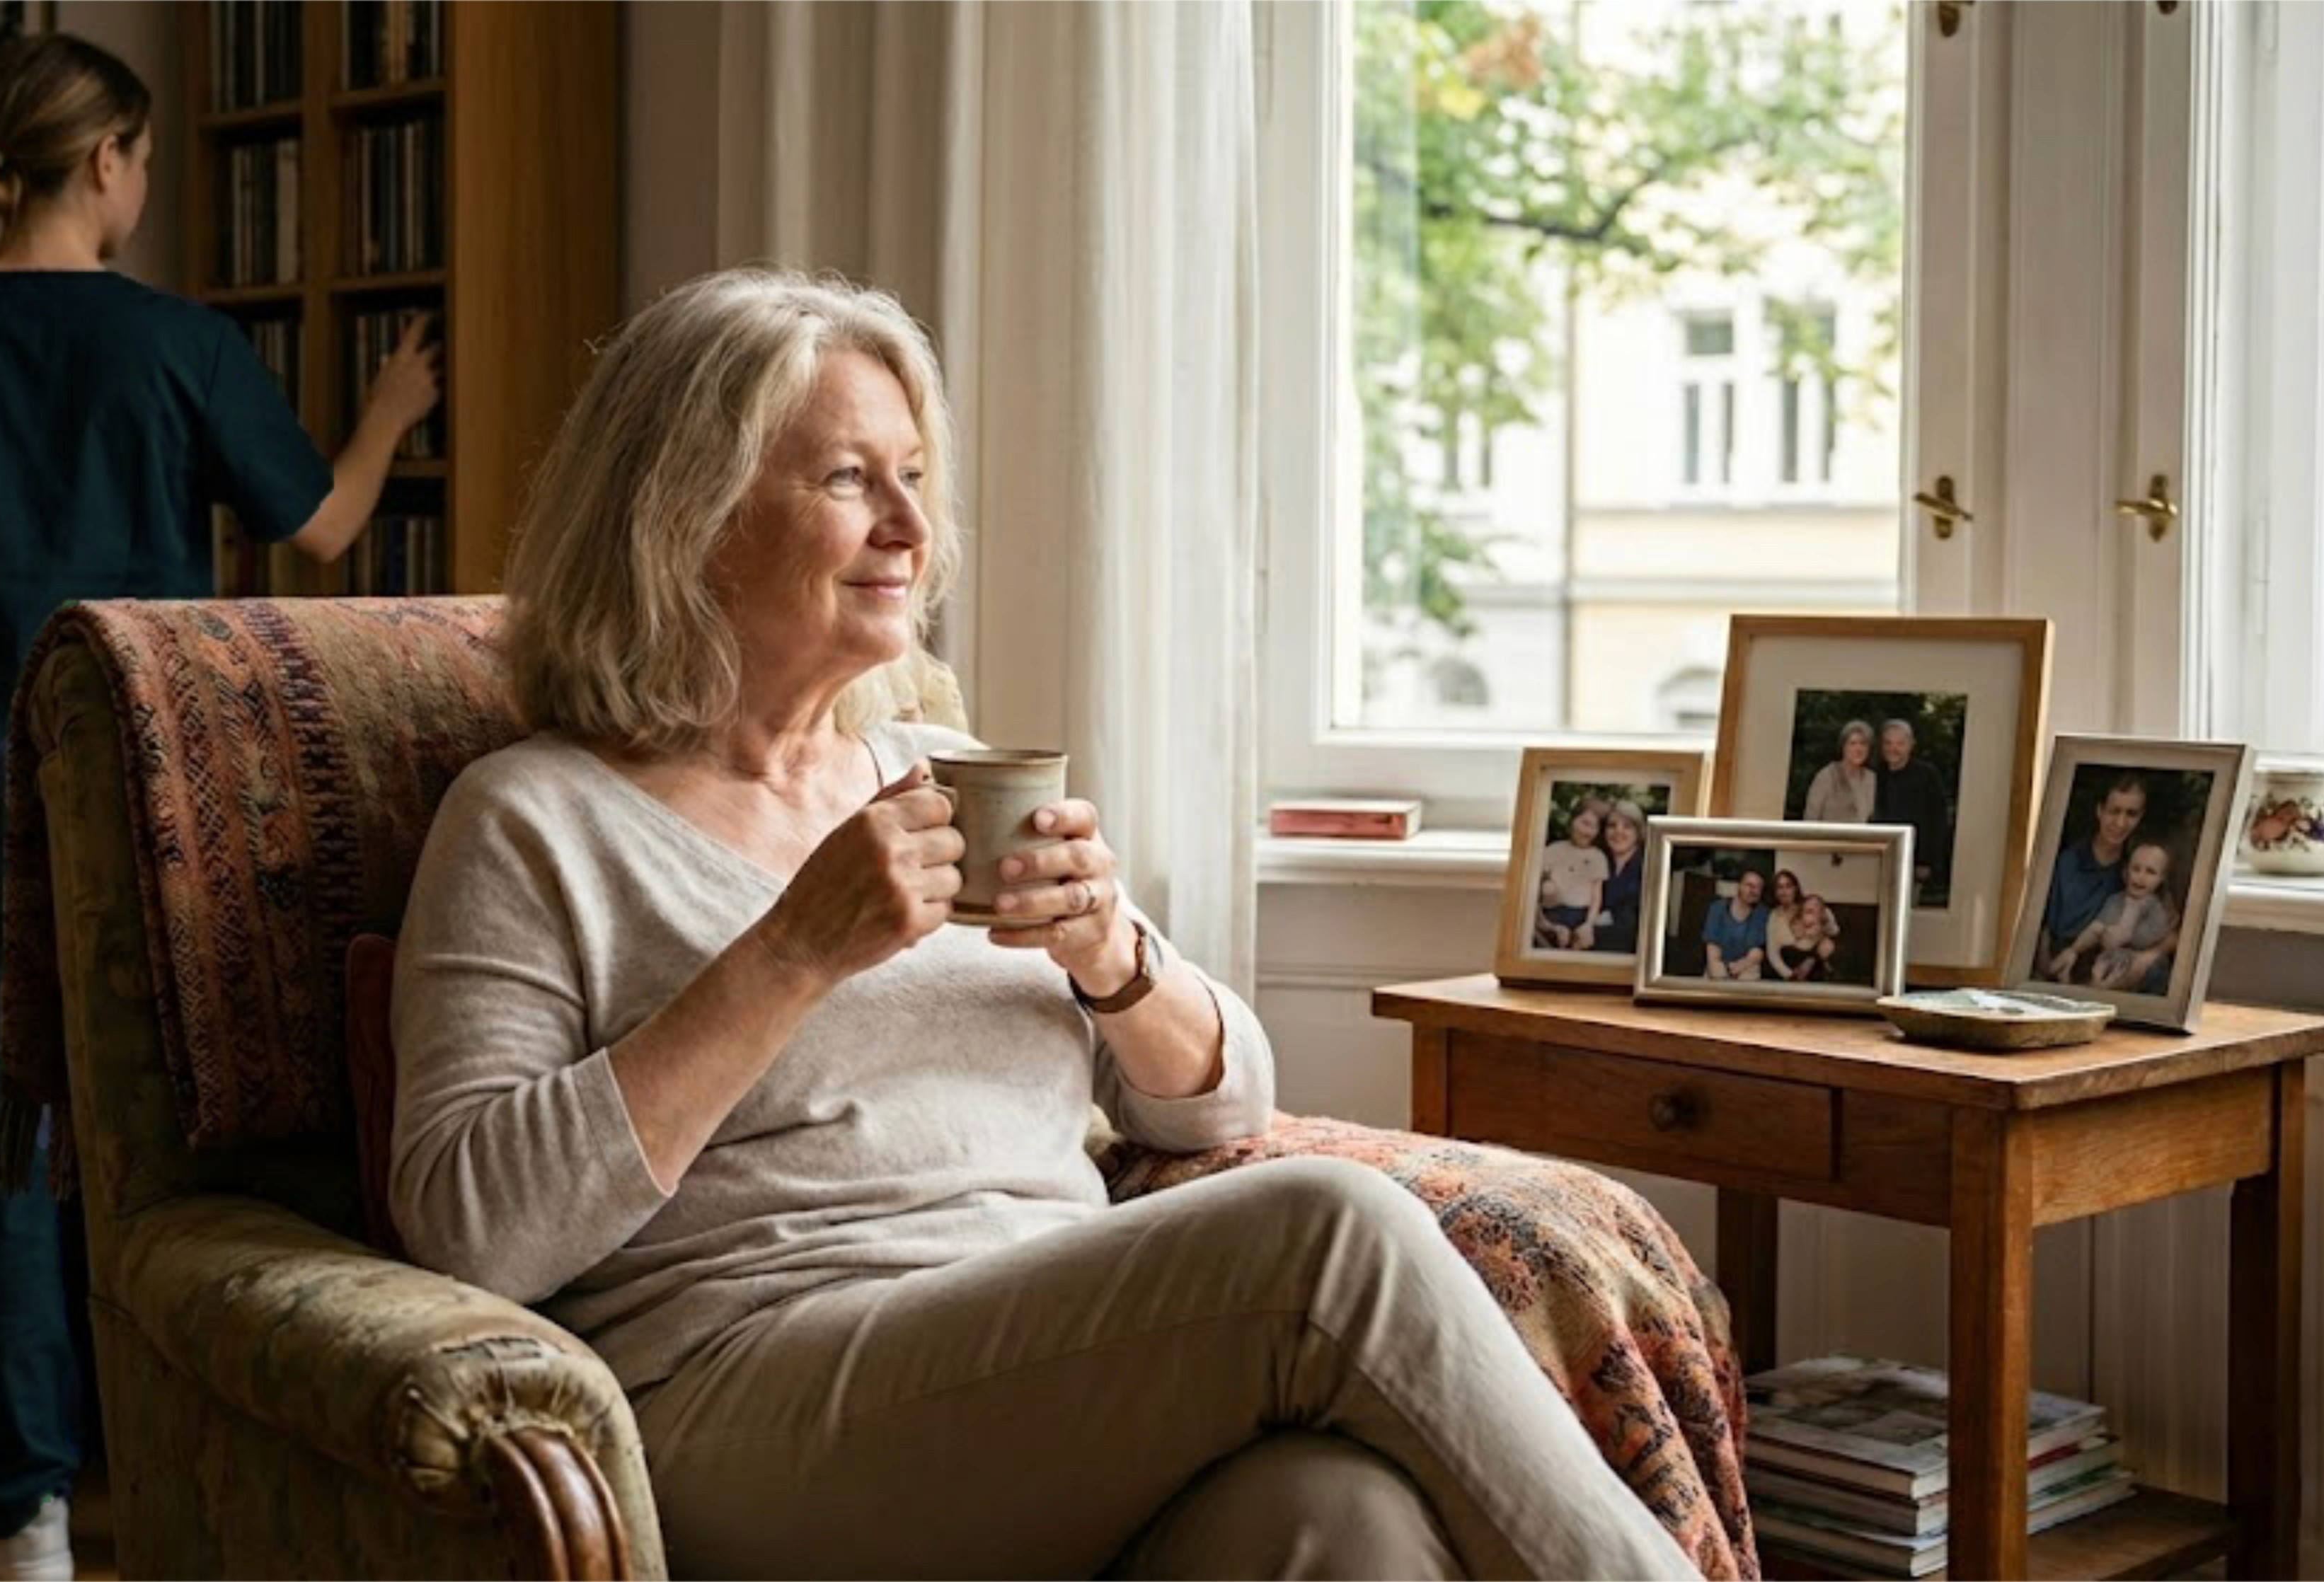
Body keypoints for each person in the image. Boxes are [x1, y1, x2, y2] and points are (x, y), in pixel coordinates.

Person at [384, 269, 1696, 1581]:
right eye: (847, 479)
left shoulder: (947, 772)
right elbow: (471, 1225)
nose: (910, 526)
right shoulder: (535, 820)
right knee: (1328, 1236)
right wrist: (793, 950)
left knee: (1338, 1516)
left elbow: (1222, 1110)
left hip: (1044, 1367)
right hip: (744, 1393)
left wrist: (1110, 957)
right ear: (690, 514)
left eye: (912, 476)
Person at [0, 35, 442, 1582]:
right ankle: (164, 1477)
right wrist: (391, 409)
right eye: (143, 161)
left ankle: (18, 1515)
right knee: (161, 1149)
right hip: (162, 810)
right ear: (107, 162)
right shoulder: (183, 345)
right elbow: (321, 526)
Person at [2034, 774, 2148, 980]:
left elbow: (2169, 930)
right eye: (2114, 811)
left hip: (2105, 970)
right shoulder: (2067, 861)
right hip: (2056, 961)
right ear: (2100, 811)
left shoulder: (2140, 869)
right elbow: (2042, 923)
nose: (2121, 823)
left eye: (2131, 814)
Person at [2049, 839, 2180, 991]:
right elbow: (2098, 927)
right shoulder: (2116, 900)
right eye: (2136, 869)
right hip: (2110, 958)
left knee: (2156, 969)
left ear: (2161, 879)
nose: (2141, 877)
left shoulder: (2156, 907)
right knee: (2093, 969)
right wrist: (2076, 949)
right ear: (2126, 872)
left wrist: (2127, 925)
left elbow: (2146, 938)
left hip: (2138, 960)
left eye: (2150, 872)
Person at [1873, 717, 1953, 905]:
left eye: (1900, 743)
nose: (1894, 748)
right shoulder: (1876, 774)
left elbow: (1937, 821)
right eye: (1888, 743)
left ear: (1911, 745)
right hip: (1876, 860)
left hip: (1912, 860)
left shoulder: (1927, 775)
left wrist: (1926, 861)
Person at [1535, 795, 1612, 949]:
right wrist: (1548, 925)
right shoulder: (1554, 850)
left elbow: (1597, 896)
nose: (1588, 831)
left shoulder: (1598, 857)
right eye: (1584, 823)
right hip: (1553, 912)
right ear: (1572, 821)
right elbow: (1536, 891)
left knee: (1581, 944)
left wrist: (1588, 924)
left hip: (1581, 914)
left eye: (1594, 827)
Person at [1589, 799, 1653, 954]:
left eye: (1627, 826)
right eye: (1612, 826)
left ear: (1639, 832)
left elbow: (1644, 929)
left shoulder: (1650, 867)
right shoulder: (1596, 860)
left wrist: (1593, 934)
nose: (1618, 831)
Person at [1802, 719, 1877, 824]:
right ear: (1844, 747)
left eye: (1863, 744)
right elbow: (1810, 818)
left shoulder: (1871, 779)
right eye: (1853, 744)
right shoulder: (1827, 776)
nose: (1858, 749)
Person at [1767, 870, 1839, 981]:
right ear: (1775, 892)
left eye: (1788, 886)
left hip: (1814, 958)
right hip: (1788, 965)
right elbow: (1772, 953)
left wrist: (1813, 958)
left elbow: (1833, 930)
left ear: (1795, 888)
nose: (1784, 891)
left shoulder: (1806, 906)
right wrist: (1790, 976)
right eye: (1780, 887)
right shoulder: (1774, 916)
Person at [1701, 869, 1771, 980]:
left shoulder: (1762, 913)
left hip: (1747, 966)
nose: (1753, 891)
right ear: (1740, 886)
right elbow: (1712, 950)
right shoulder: (1718, 908)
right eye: (1749, 885)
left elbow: (1756, 952)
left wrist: (1738, 968)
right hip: (1718, 963)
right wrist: (1723, 974)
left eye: (1758, 888)